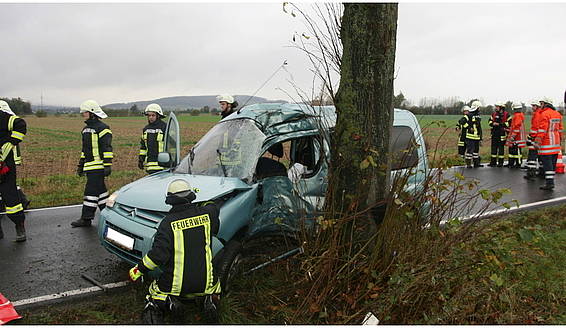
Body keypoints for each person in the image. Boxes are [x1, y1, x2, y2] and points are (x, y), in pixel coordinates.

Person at [129, 179, 222, 324]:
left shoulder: (167, 223)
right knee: (214, 284)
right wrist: (204, 200)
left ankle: (168, 303)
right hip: (205, 284)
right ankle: (210, 300)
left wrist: (138, 269)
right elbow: (213, 207)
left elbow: (158, 257)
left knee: (154, 290)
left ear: (170, 200)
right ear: (191, 196)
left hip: (176, 286)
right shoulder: (208, 215)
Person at [71, 100, 113, 227]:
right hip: (90, 166)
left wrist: (107, 164)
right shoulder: (85, 130)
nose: (82, 114)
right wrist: (81, 164)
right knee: (101, 193)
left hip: (98, 166)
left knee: (90, 192)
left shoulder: (103, 129)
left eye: (84, 112)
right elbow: (85, 150)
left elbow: (107, 148)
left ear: (92, 113)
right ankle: (109, 215)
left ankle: (86, 218)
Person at [0, 100, 27, 242]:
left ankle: (19, 226)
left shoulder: (3, 117)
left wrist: (11, 142)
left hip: (4, 166)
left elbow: (20, 125)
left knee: (11, 198)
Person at [534, 97, 563, 190]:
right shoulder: (557, 114)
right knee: (553, 164)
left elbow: (542, 129)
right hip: (556, 142)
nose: (540, 106)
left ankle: (550, 183)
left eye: (541, 103)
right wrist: (560, 139)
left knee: (547, 164)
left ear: (546, 104)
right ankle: (550, 182)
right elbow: (560, 129)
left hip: (547, 143)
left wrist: (537, 141)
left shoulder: (544, 114)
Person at [139, 103, 167, 174]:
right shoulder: (145, 129)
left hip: (163, 164)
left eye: (153, 115)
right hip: (150, 164)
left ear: (158, 116)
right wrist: (141, 159)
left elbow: (171, 145)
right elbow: (143, 147)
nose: (150, 117)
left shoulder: (165, 127)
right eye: (149, 115)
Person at [524, 99, 543, 180]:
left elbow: (535, 127)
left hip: (535, 138)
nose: (532, 107)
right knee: (540, 155)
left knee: (532, 155)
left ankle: (531, 173)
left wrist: (530, 137)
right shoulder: (540, 113)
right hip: (539, 137)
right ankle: (542, 172)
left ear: (537, 106)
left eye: (533, 106)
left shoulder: (537, 114)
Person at [487, 102, 509, 167]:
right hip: (494, 133)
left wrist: (500, 124)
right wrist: (492, 123)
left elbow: (509, 123)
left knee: (501, 149)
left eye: (497, 106)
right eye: (496, 106)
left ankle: (500, 163)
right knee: (493, 148)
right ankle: (493, 162)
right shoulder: (494, 114)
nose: (496, 108)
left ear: (501, 107)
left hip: (501, 134)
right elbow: (489, 121)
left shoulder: (506, 114)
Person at [505, 103, 527, 168]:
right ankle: (511, 163)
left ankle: (518, 163)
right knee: (512, 150)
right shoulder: (517, 115)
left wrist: (513, 136)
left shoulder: (518, 116)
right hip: (515, 137)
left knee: (517, 151)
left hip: (517, 137)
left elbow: (517, 127)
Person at [464, 100, 483, 168]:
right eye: (479, 108)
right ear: (476, 107)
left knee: (476, 151)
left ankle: (476, 163)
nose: (479, 109)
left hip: (476, 137)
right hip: (470, 137)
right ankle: (468, 164)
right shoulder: (469, 115)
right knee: (469, 151)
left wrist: (480, 137)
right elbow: (462, 122)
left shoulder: (478, 116)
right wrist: (469, 128)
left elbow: (479, 127)